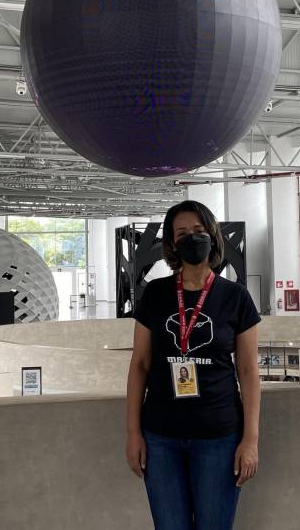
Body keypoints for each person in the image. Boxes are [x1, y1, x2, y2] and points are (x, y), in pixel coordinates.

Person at [125, 200, 261, 530]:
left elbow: (248, 372)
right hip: (160, 437)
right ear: (172, 244)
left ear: (213, 236)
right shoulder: (155, 294)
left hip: (219, 436)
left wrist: (251, 440)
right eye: (182, 233)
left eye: (198, 231)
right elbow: (140, 364)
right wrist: (133, 433)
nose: (191, 238)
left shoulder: (236, 297)